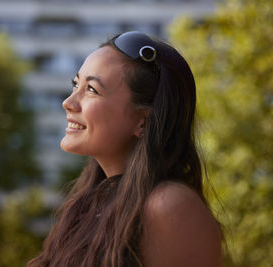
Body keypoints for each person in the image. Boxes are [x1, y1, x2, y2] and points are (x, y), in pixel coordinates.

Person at [28, 31, 222, 267]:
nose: (68, 102)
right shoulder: (89, 205)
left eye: (91, 90)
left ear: (142, 121)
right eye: (76, 84)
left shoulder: (168, 206)